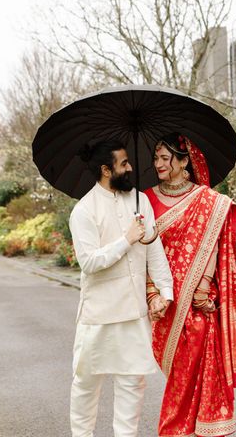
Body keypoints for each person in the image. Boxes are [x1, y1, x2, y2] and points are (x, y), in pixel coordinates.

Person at [144, 133, 236, 437]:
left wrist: (203, 287)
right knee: (178, 374)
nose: (158, 164)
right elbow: (144, 252)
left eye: (165, 158)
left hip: (198, 302)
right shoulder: (145, 199)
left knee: (193, 371)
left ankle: (181, 430)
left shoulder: (207, 201)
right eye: (156, 158)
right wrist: (153, 293)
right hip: (165, 302)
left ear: (183, 161)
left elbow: (214, 243)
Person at [69, 140, 174, 437]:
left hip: (134, 313)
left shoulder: (139, 201)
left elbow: (155, 251)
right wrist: (126, 239)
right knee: (87, 386)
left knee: (132, 387)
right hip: (98, 316)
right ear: (106, 170)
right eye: (123, 163)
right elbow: (89, 262)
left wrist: (165, 292)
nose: (130, 168)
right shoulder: (84, 211)